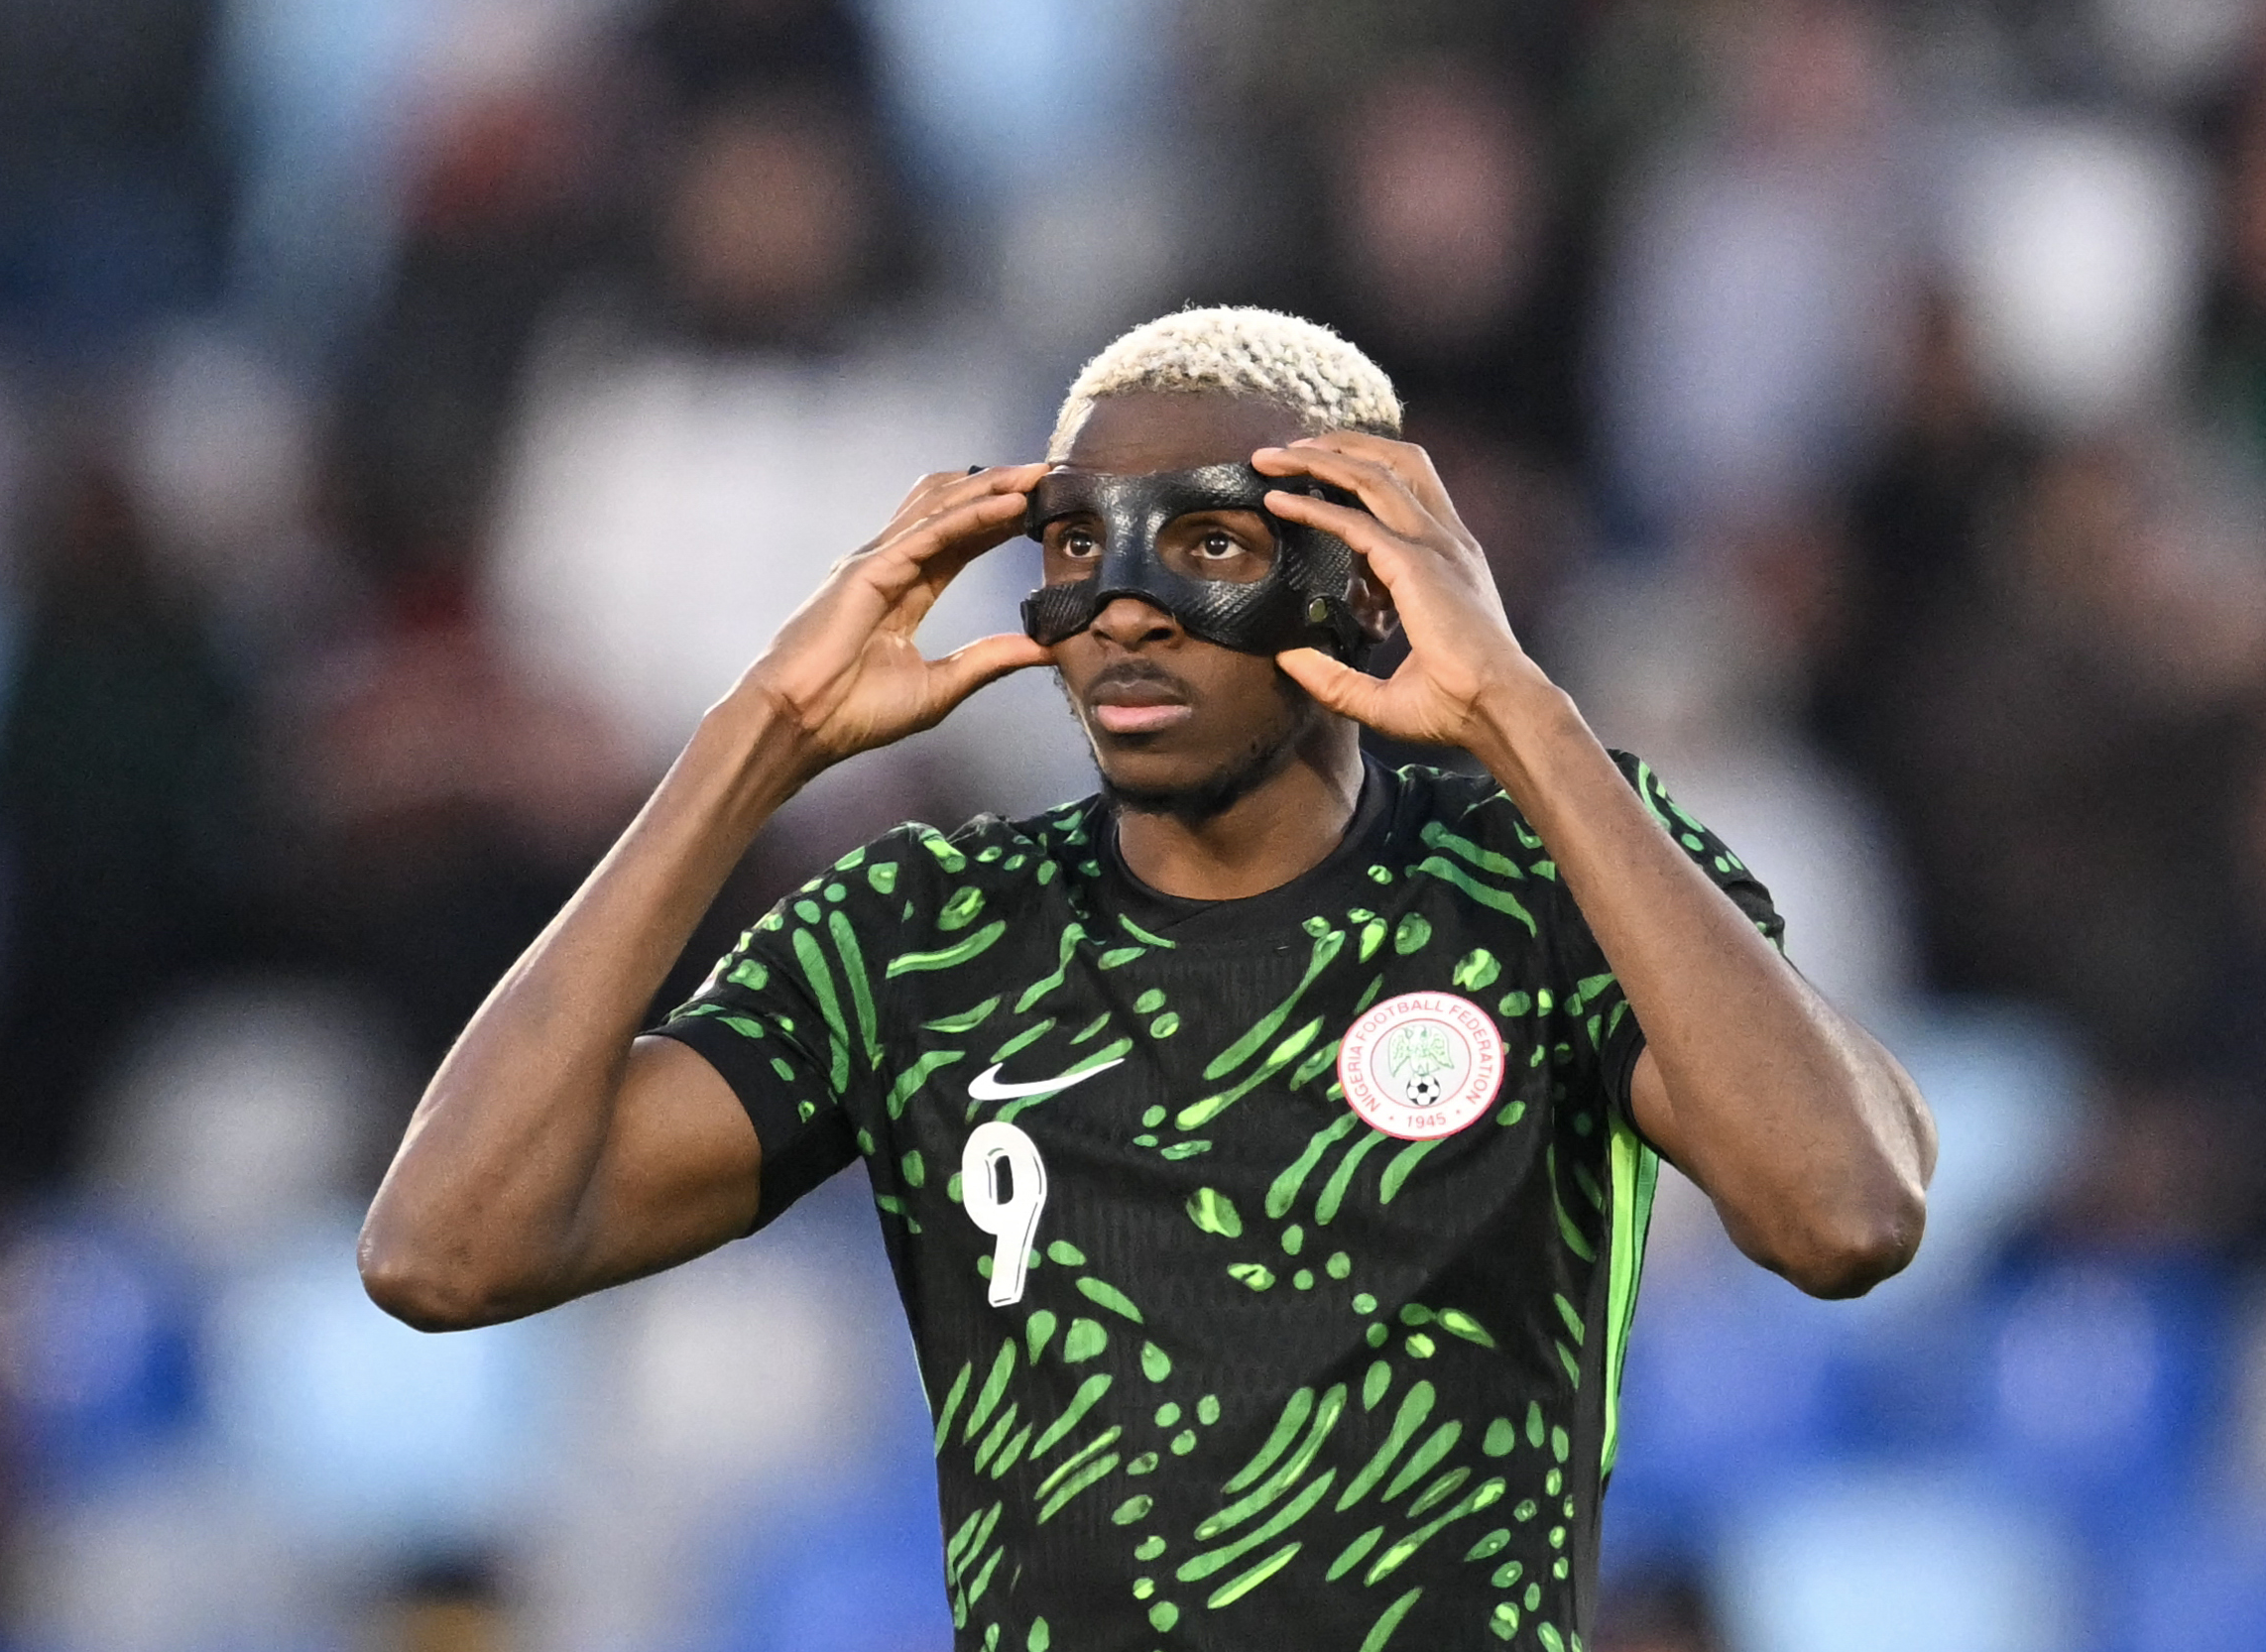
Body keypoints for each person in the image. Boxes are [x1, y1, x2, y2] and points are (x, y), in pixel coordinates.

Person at [360, 307, 1935, 1649]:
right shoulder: (926, 936)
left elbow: (1843, 1209)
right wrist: (756, 737)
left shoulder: (1535, 877)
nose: (1123, 606)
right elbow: (446, 1250)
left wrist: (1519, 715)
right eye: (1074, 547)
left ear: (1356, 576)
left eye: (1206, 545)